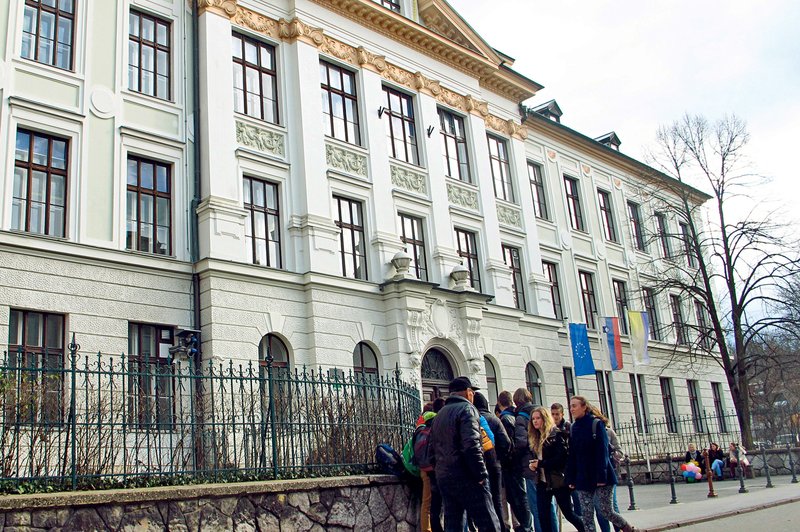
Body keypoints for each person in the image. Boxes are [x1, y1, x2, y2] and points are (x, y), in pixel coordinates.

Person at [430, 376, 501, 532]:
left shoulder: (439, 416)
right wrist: (481, 474)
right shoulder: (467, 410)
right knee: (488, 522)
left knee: (453, 524)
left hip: (445, 479)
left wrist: (440, 473)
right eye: (472, 392)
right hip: (468, 477)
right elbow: (472, 446)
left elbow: (431, 451)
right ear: (468, 392)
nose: (473, 395)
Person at [565, 396, 634, 532]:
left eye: (575, 406)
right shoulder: (573, 428)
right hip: (583, 477)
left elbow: (602, 452)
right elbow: (572, 455)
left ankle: (628, 529)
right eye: (571, 406)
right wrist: (571, 478)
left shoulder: (596, 424)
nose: (572, 409)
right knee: (587, 515)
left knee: (606, 510)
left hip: (601, 475)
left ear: (584, 407)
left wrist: (601, 477)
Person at [527, 406, 585, 532]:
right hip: (542, 481)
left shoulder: (556, 435)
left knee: (568, 513)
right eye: (533, 419)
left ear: (545, 419)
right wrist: (534, 465)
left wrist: (540, 464)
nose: (535, 421)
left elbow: (560, 459)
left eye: (538, 418)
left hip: (558, 481)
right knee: (542, 515)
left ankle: (586, 529)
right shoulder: (535, 437)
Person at [512, 388, 556, 532]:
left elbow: (521, 443)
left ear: (516, 401)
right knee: (550, 506)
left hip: (532, 467)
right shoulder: (541, 412)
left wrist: (516, 458)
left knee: (536, 506)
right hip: (548, 466)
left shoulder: (521, 417)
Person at [475, 391, 512, 532]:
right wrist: (498, 457)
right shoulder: (495, 419)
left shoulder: (473, 418)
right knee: (497, 500)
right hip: (495, 464)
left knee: (484, 500)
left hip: (480, 464)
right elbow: (506, 442)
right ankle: (501, 528)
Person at [498, 391, 528, 532]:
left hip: (510, 465)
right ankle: (523, 525)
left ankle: (523, 526)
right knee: (519, 497)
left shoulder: (505, 419)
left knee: (516, 498)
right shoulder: (516, 416)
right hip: (519, 464)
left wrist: (506, 460)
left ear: (499, 403)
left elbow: (507, 444)